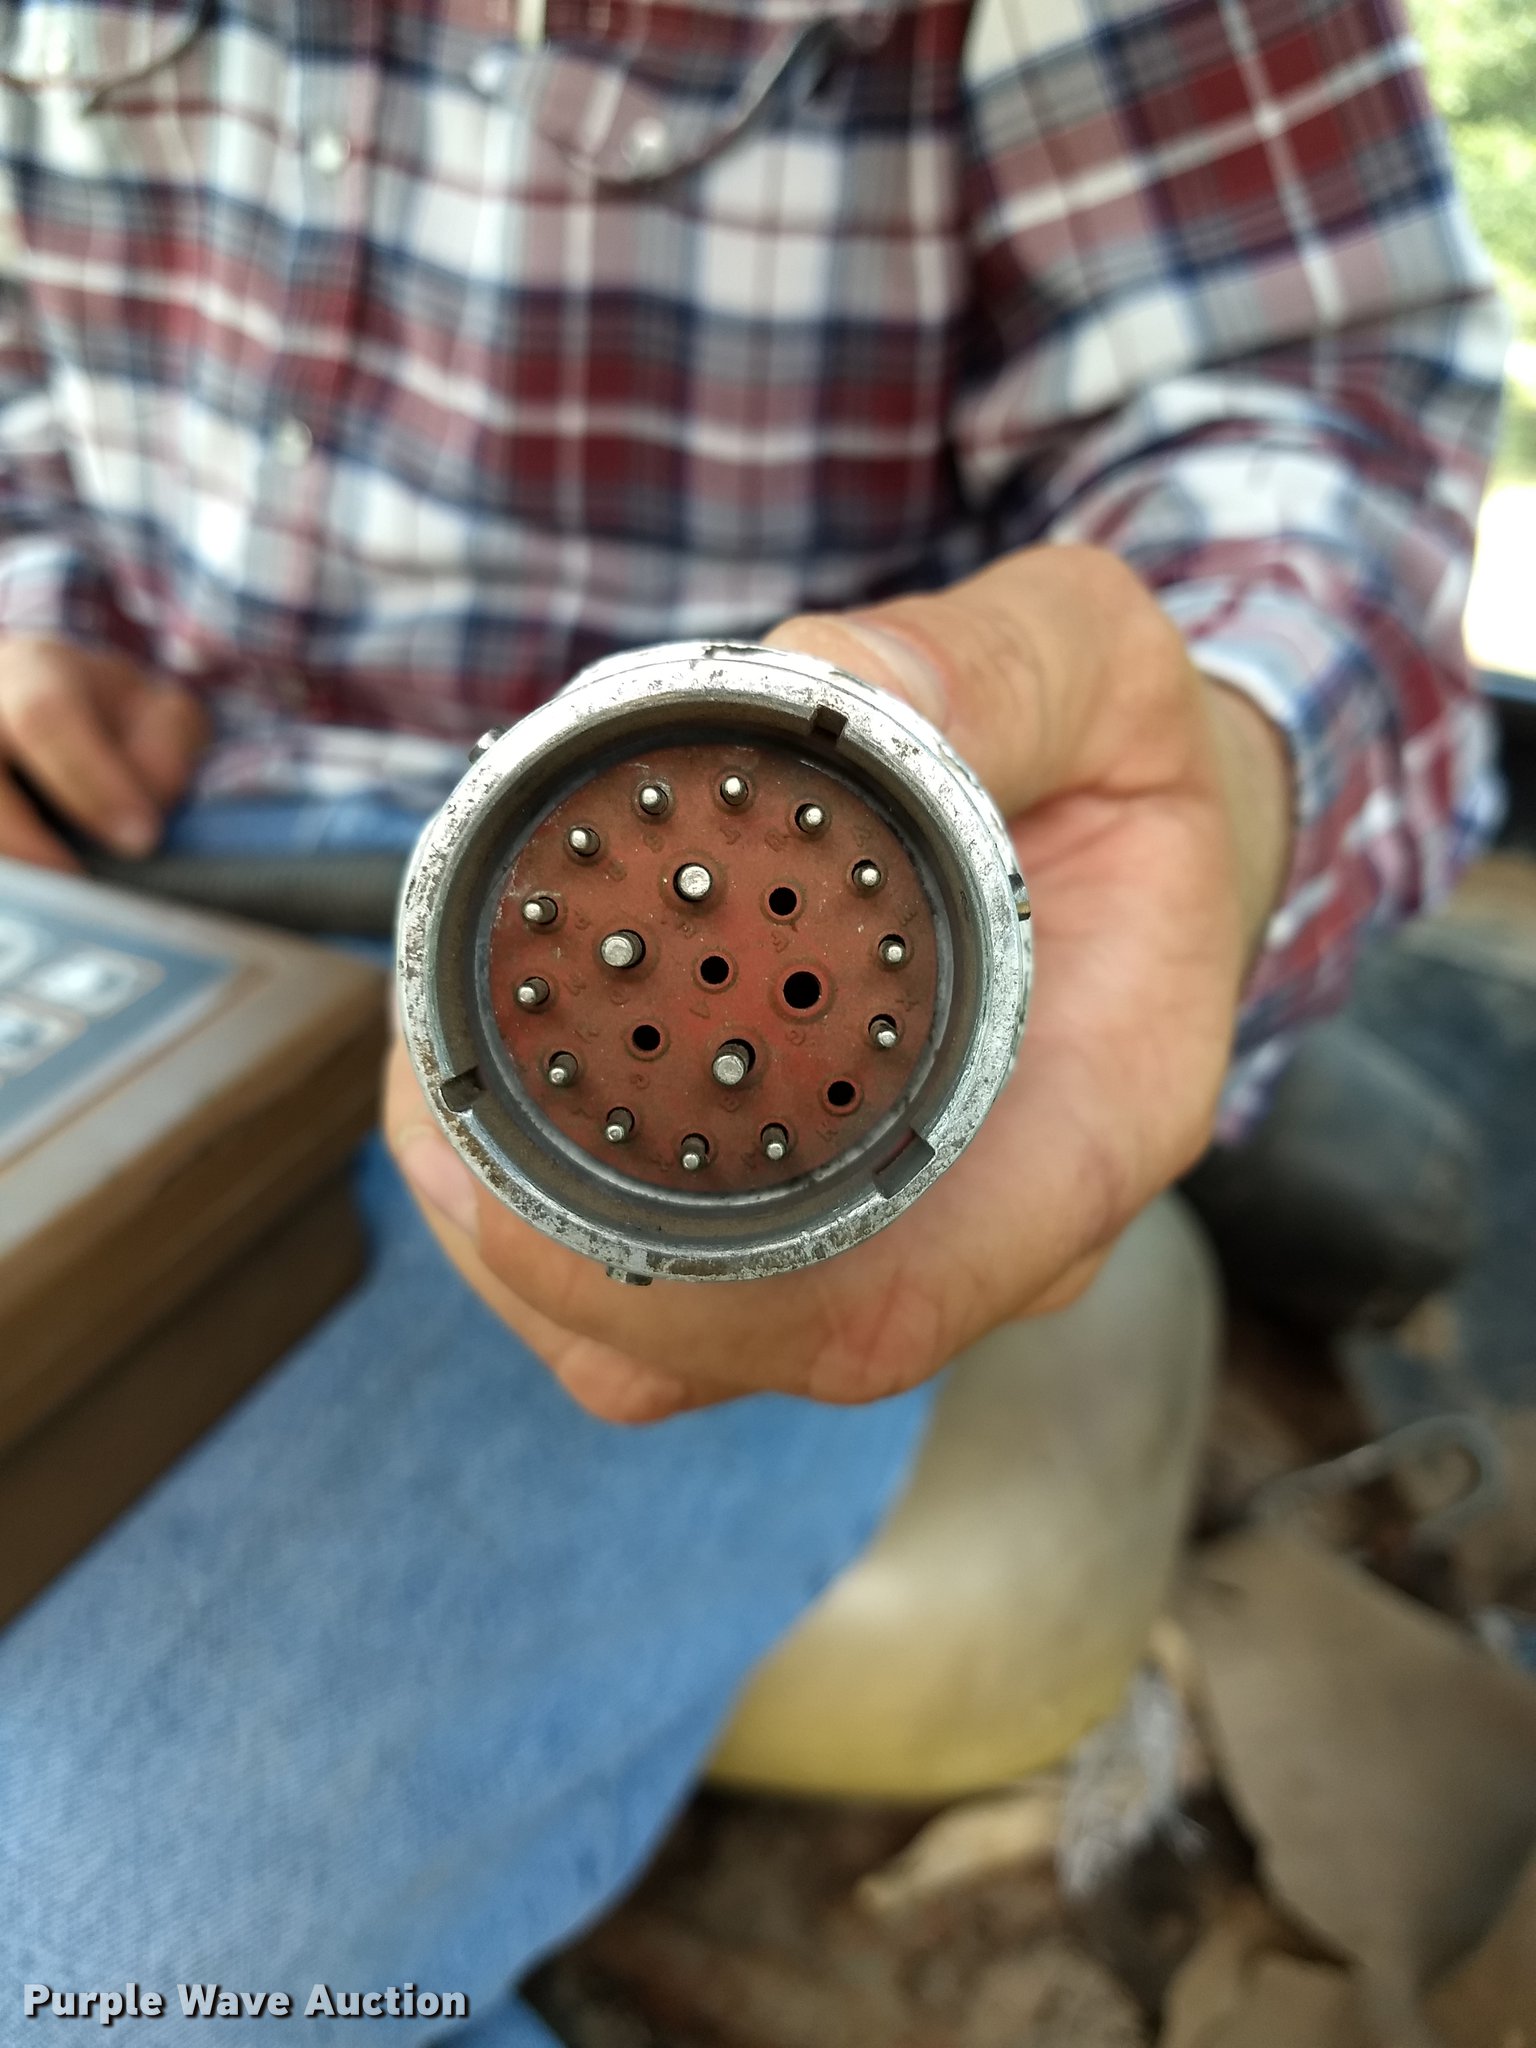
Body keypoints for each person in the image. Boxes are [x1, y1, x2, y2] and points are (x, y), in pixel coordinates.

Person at [0, 0, 1505, 2037]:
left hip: (741, 1111)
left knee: (83, 1955)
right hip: (118, 867)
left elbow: (1309, 409)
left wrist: (1220, 760)